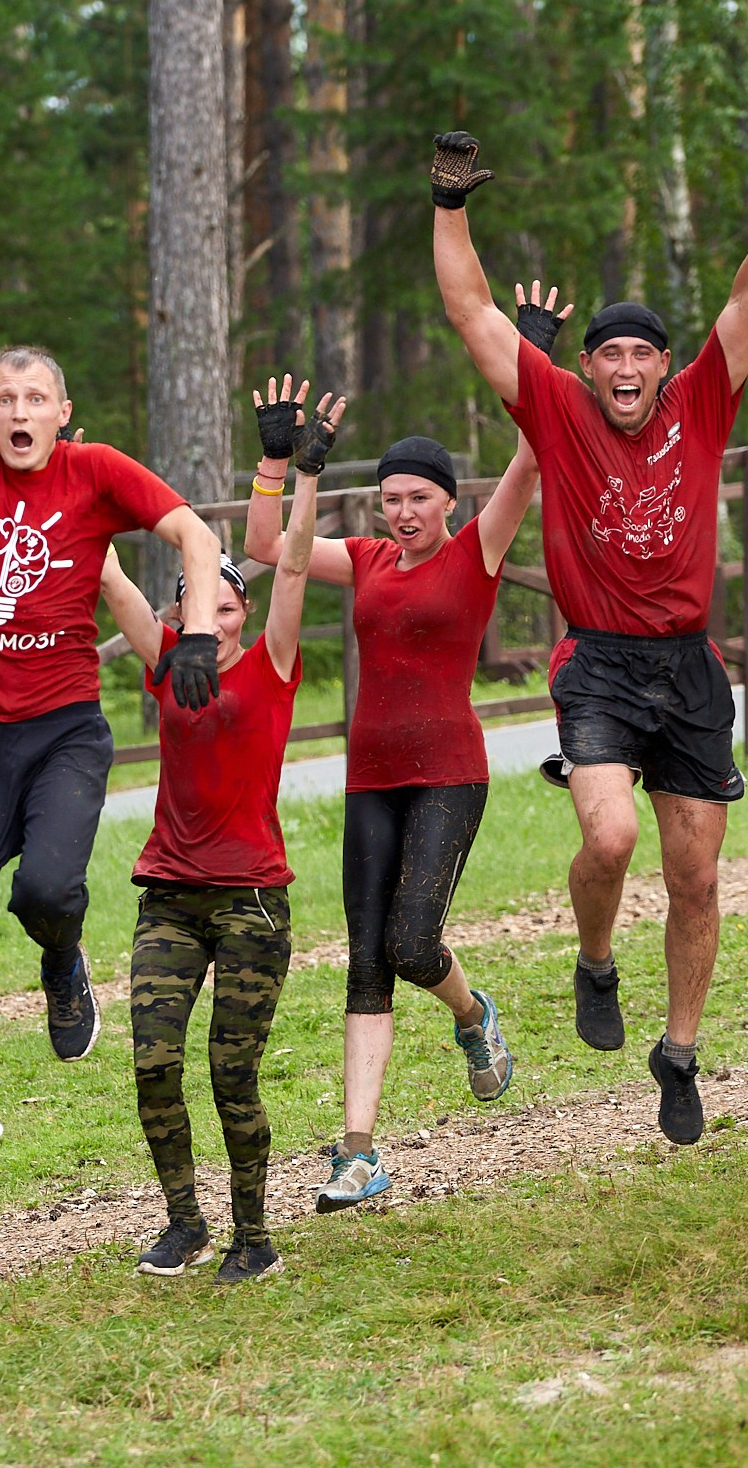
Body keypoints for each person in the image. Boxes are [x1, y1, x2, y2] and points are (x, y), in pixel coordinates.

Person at [430, 120, 748, 1146]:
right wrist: (450, 206)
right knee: (609, 835)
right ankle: (594, 960)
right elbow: (470, 310)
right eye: (611, 353)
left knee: (695, 877)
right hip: (597, 661)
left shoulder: (703, 401)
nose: (628, 366)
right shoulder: (557, 411)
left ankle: (677, 1053)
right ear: (590, 367)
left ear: (663, 365)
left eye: (644, 352)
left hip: (689, 666)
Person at [0, 129, 226, 1186]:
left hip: (64, 735)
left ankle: (60, 957)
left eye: (35, 399)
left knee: (45, 888)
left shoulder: (95, 471)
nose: (17, 412)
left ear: (63, 414)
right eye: (4, 398)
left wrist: (194, 630)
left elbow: (195, 533)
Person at [240, 335, 546, 1211]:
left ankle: (471, 1013)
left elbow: (532, 458)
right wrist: (279, 461)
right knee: (366, 962)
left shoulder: (476, 551)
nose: (403, 513)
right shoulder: (367, 560)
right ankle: (359, 1152)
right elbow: (265, 543)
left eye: (418, 498)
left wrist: (526, 363)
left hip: (449, 773)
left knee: (413, 944)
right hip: (370, 779)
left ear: (449, 501)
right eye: (390, 500)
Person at [100, 393, 337, 1284]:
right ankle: (184, 1223)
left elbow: (298, 564)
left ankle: (254, 1235)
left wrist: (297, 472)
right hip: (168, 896)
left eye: (230, 606)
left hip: (250, 903)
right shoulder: (169, 661)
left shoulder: (273, 664)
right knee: (153, 1063)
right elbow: (110, 577)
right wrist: (71, 482)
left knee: (232, 1076)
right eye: (205, 608)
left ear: (243, 611)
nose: (220, 621)